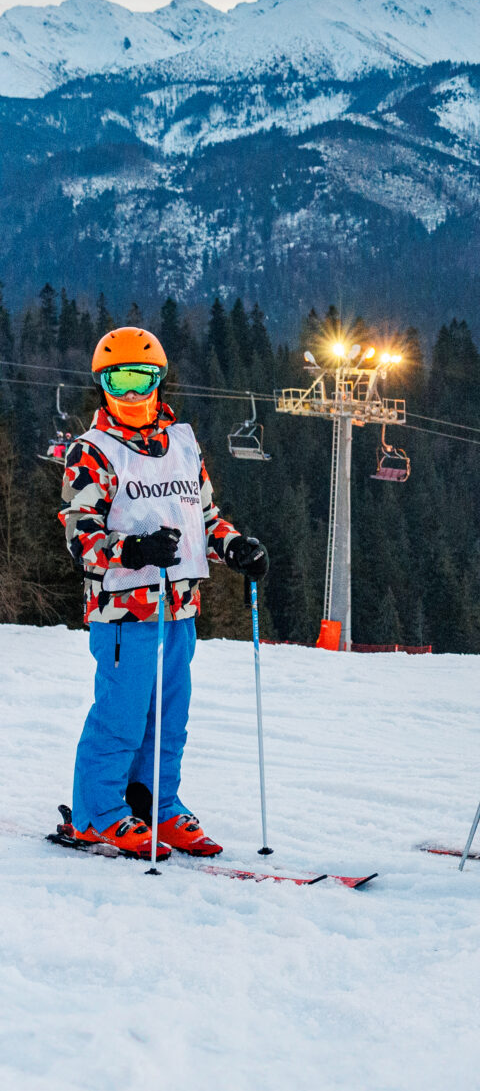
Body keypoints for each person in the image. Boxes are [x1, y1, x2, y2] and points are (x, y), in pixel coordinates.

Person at [51, 327, 268, 859]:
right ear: (102, 384)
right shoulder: (92, 452)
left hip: (179, 609)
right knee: (121, 715)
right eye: (118, 380)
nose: (130, 393)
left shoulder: (183, 445)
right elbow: (81, 535)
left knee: (170, 716)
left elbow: (205, 517)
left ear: (158, 380)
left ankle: (157, 804)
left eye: (140, 378)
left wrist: (235, 546)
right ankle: (96, 813)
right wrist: (133, 551)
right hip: (124, 611)